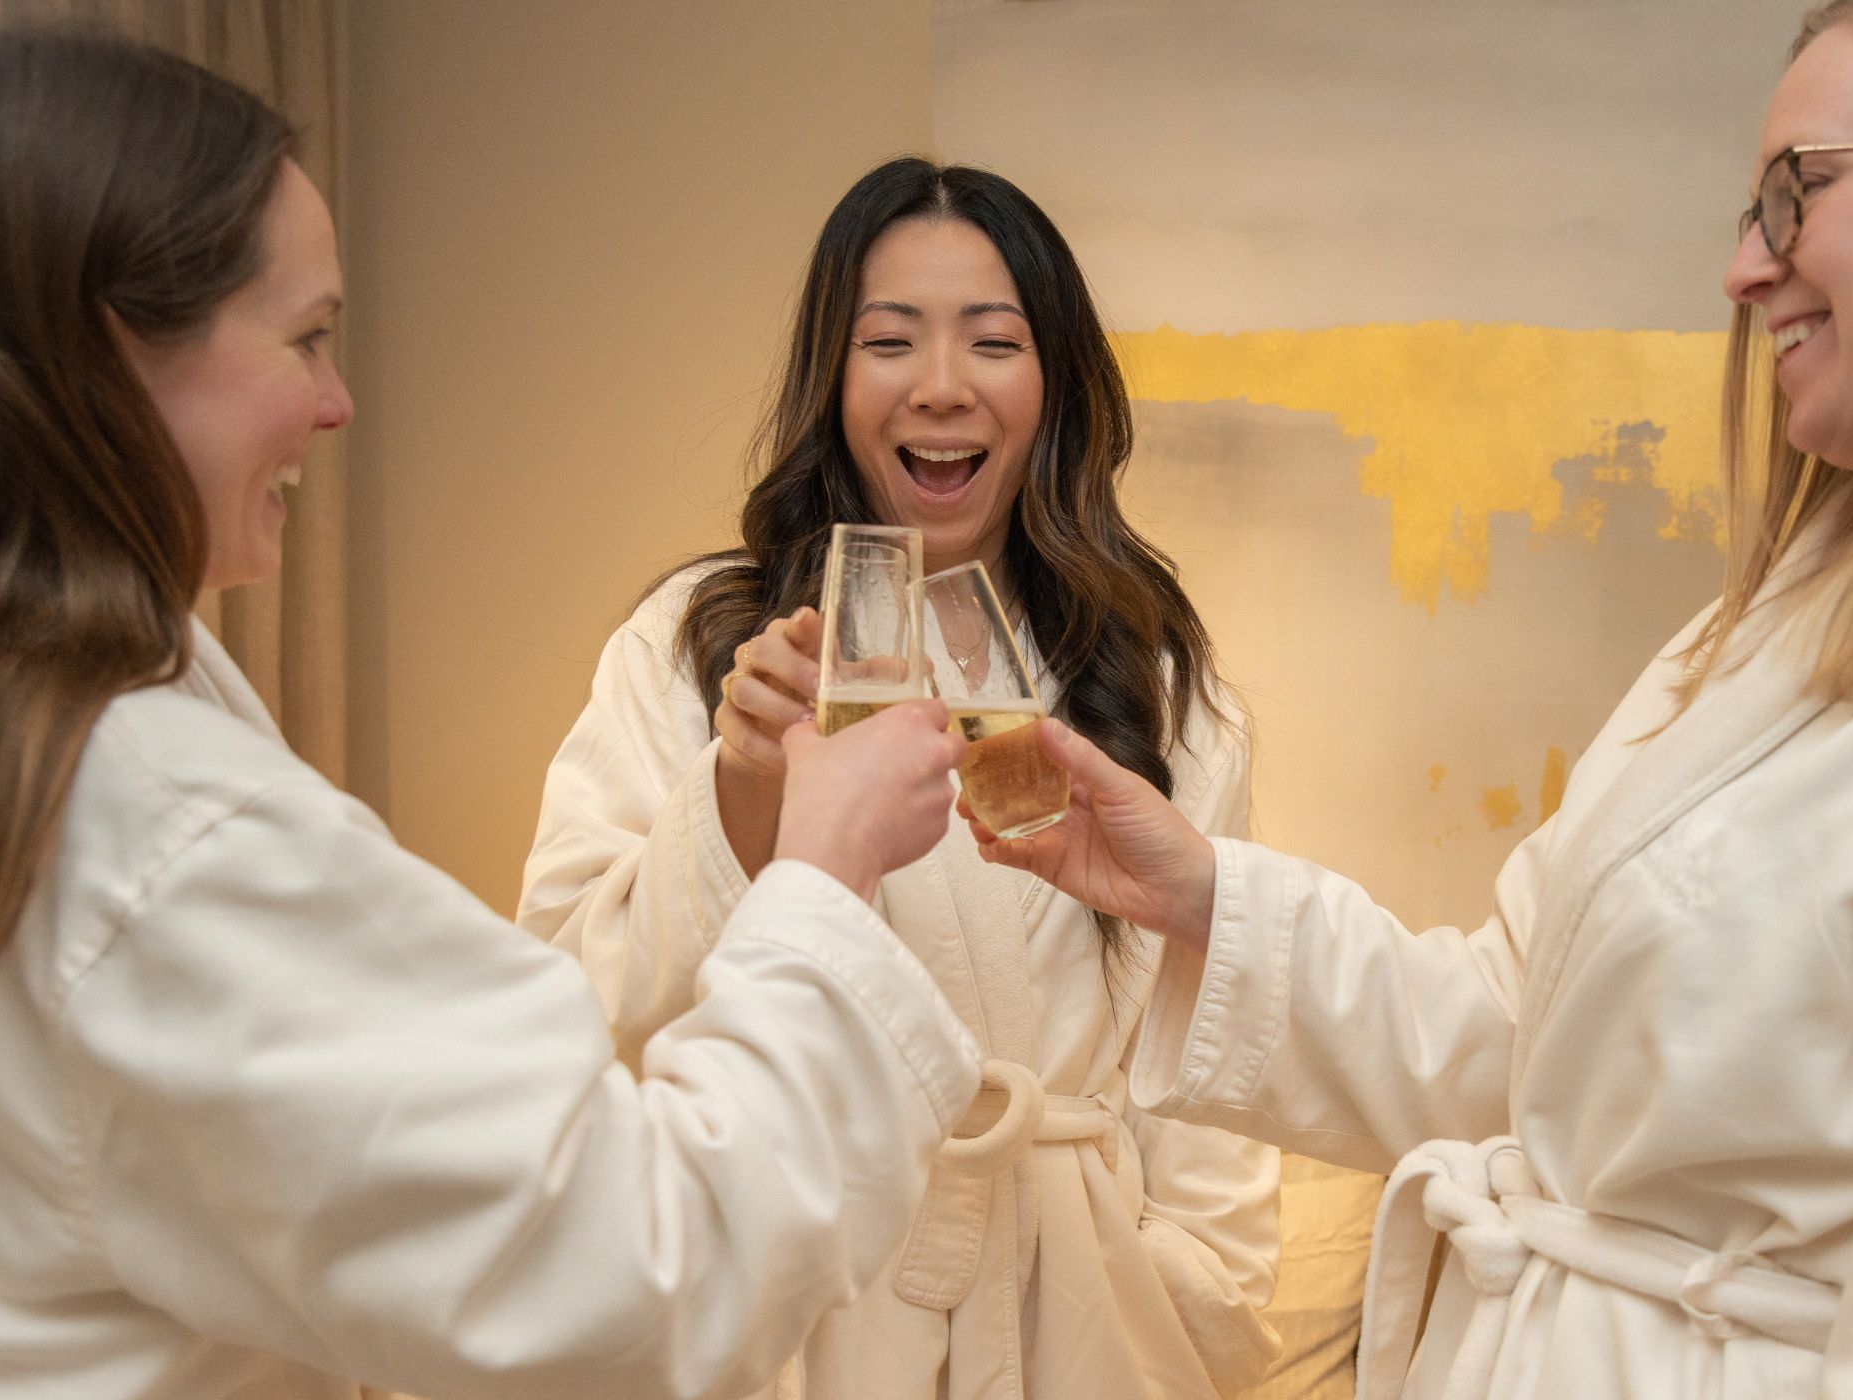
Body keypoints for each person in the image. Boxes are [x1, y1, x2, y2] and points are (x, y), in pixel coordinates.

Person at [968, 2, 1853, 1397]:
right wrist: (1196, 894)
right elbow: (1520, 1035)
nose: (1740, 270)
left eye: (1798, 192)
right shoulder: (1761, 627)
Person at [0, 28, 984, 1400]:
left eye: (996, 340)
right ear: (107, 353)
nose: (338, 402)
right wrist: (810, 866)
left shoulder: (54, 709)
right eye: (306, 337)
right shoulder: (167, 829)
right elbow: (628, 1270)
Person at [521, 158, 1282, 1399]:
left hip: (1083, 1321)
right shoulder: (697, 646)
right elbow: (571, 991)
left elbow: (1213, 1067)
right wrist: (744, 796)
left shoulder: (1150, 683)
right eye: (889, 341)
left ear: (1058, 384)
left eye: (994, 340)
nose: (940, 387)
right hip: (809, 1313)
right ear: (834, 376)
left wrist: (1188, 1295)